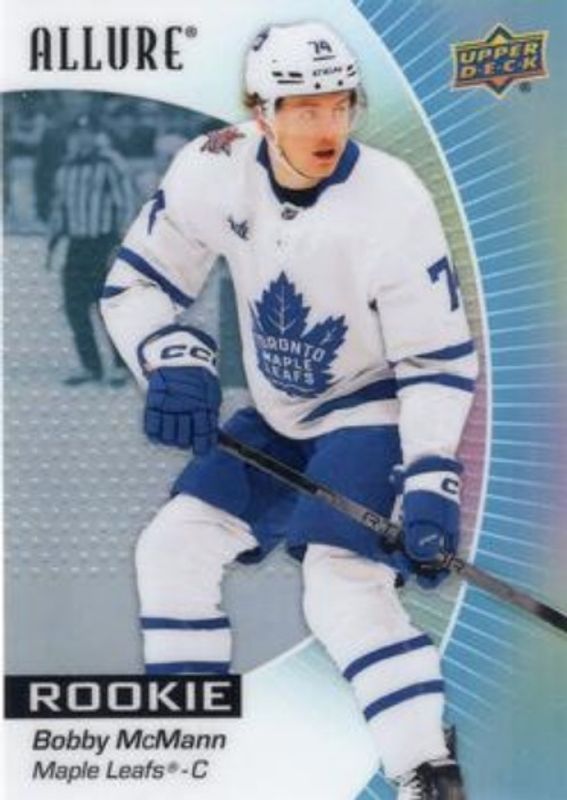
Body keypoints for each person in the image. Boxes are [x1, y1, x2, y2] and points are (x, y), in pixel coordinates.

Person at [100, 21, 478, 800]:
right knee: (172, 549)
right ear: (260, 112)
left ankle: (423, 765)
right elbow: (136, 282)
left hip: (369, 409)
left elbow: (435, 358)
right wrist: (169, 356)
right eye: (304, 109)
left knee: (340, 583)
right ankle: (185, 749)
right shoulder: (214, 168)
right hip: (278, 415)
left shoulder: (392, 199)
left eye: (339, 104)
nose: (326, 126)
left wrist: (429, 479)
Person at [48, 113, 135, 385]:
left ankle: (121, 365)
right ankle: (90, 366)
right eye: (77, 133)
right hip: (77, 244)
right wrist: (54, 241)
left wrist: (123, 243)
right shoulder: (66, 168)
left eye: (87, 133)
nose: (81, 138)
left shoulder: (110, 163)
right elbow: (60, 207)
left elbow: (126, 203)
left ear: (97, 135)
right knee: (74, 306)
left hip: (104, 241)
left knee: (108, 305)